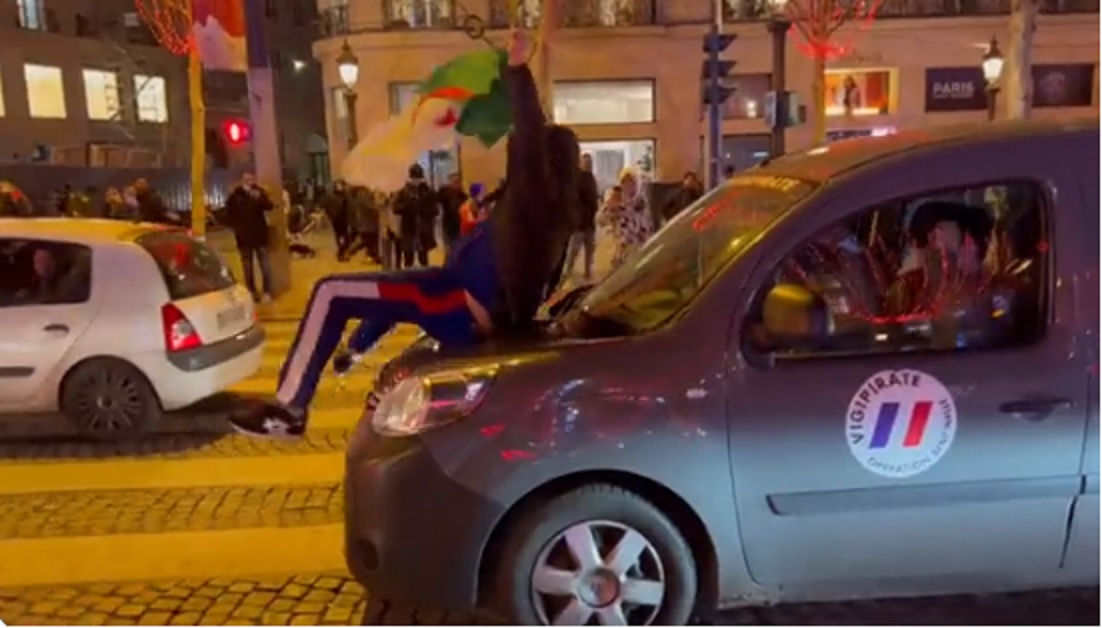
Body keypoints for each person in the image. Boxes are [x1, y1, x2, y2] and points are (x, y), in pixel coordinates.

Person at [230, 28, 581, 437]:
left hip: (457, 305)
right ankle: (314, 385)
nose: (511, 154)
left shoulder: (538, 202)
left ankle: (290, 409)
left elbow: (530, 139)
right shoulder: (533, 214)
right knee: (378, 291)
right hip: (451, 297)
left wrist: (519, 70)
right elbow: (398, 296)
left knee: (332, 291)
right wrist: (356, 348)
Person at [224, 174, 275, 302]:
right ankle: (251, 292)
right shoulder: (235, 196)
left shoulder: (258, 192)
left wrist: (260, 198)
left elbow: (269, 206)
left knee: (265, 265)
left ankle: (267, 291)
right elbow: (227, 214)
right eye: (246, 179)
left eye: (251, 178)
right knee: (247, 267)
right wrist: (237, 228)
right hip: (243, 237)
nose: (249, 181)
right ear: (241, 181)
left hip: (259, 235)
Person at [563, 153, 600, 282]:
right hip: (579, 223)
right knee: (573, 250)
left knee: (590, 251)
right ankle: (566, 274)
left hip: (590, 222)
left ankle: (588, 273)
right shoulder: (576, 178)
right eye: (585, 161)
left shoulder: (591, 178)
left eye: (589, 161)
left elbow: (594, 197)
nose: (588, 164)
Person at [392, 164, 438, 268]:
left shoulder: (427, 191)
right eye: (414, 178)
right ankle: (409, 279)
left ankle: (424, 279)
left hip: (423, 229)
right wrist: (408, 205)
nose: (416, 181)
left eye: (418, 178)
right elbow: (395, 208)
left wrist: (425, 204)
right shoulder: (403, 191)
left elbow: (435, 210)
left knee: (423, 258)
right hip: (409, 229)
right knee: (409, 258)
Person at [341, 186, 383, 264]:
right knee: (365, 242)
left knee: (371, 242)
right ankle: (349, 252)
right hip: (367, 225)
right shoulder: (363, 198)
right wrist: (378, 206)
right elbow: (372, 208)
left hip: (368, 224)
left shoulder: (362, 198)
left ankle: (374, 257)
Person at [437, 173, 468, 255]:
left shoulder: (462, 195)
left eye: (458, 181)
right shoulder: (445, 192)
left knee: (457, 249)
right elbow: (438, 200)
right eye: (454, 181)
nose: (457, 184)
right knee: (449, 249)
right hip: (448, 225)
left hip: (458, 225)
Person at [323, 181, 351, 257]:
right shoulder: (331, 196)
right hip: (336, 218)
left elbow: (348, 207)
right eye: (339, 185)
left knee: (345, 236)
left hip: (344, 218)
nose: (340, 187)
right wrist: (330, 215)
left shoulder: (345, 196)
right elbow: (326, 207)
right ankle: (341, 251)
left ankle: (342, 250)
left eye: (341, 185)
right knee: (339, 234)